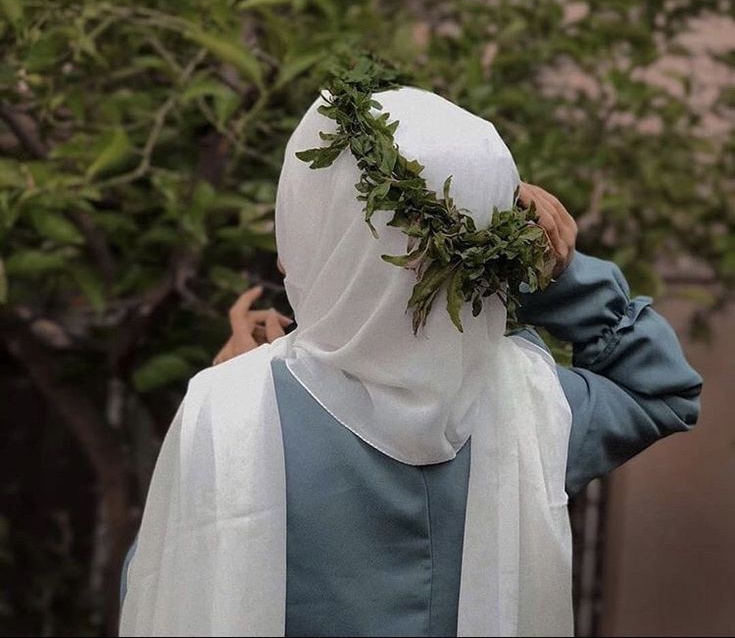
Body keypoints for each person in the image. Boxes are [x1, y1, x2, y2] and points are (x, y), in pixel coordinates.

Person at [119, 84, 702, 638]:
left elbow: (156, 594)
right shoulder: (534, 406)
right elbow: (661, 390)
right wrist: (552, 271)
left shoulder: (231, 414)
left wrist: (232, 392)